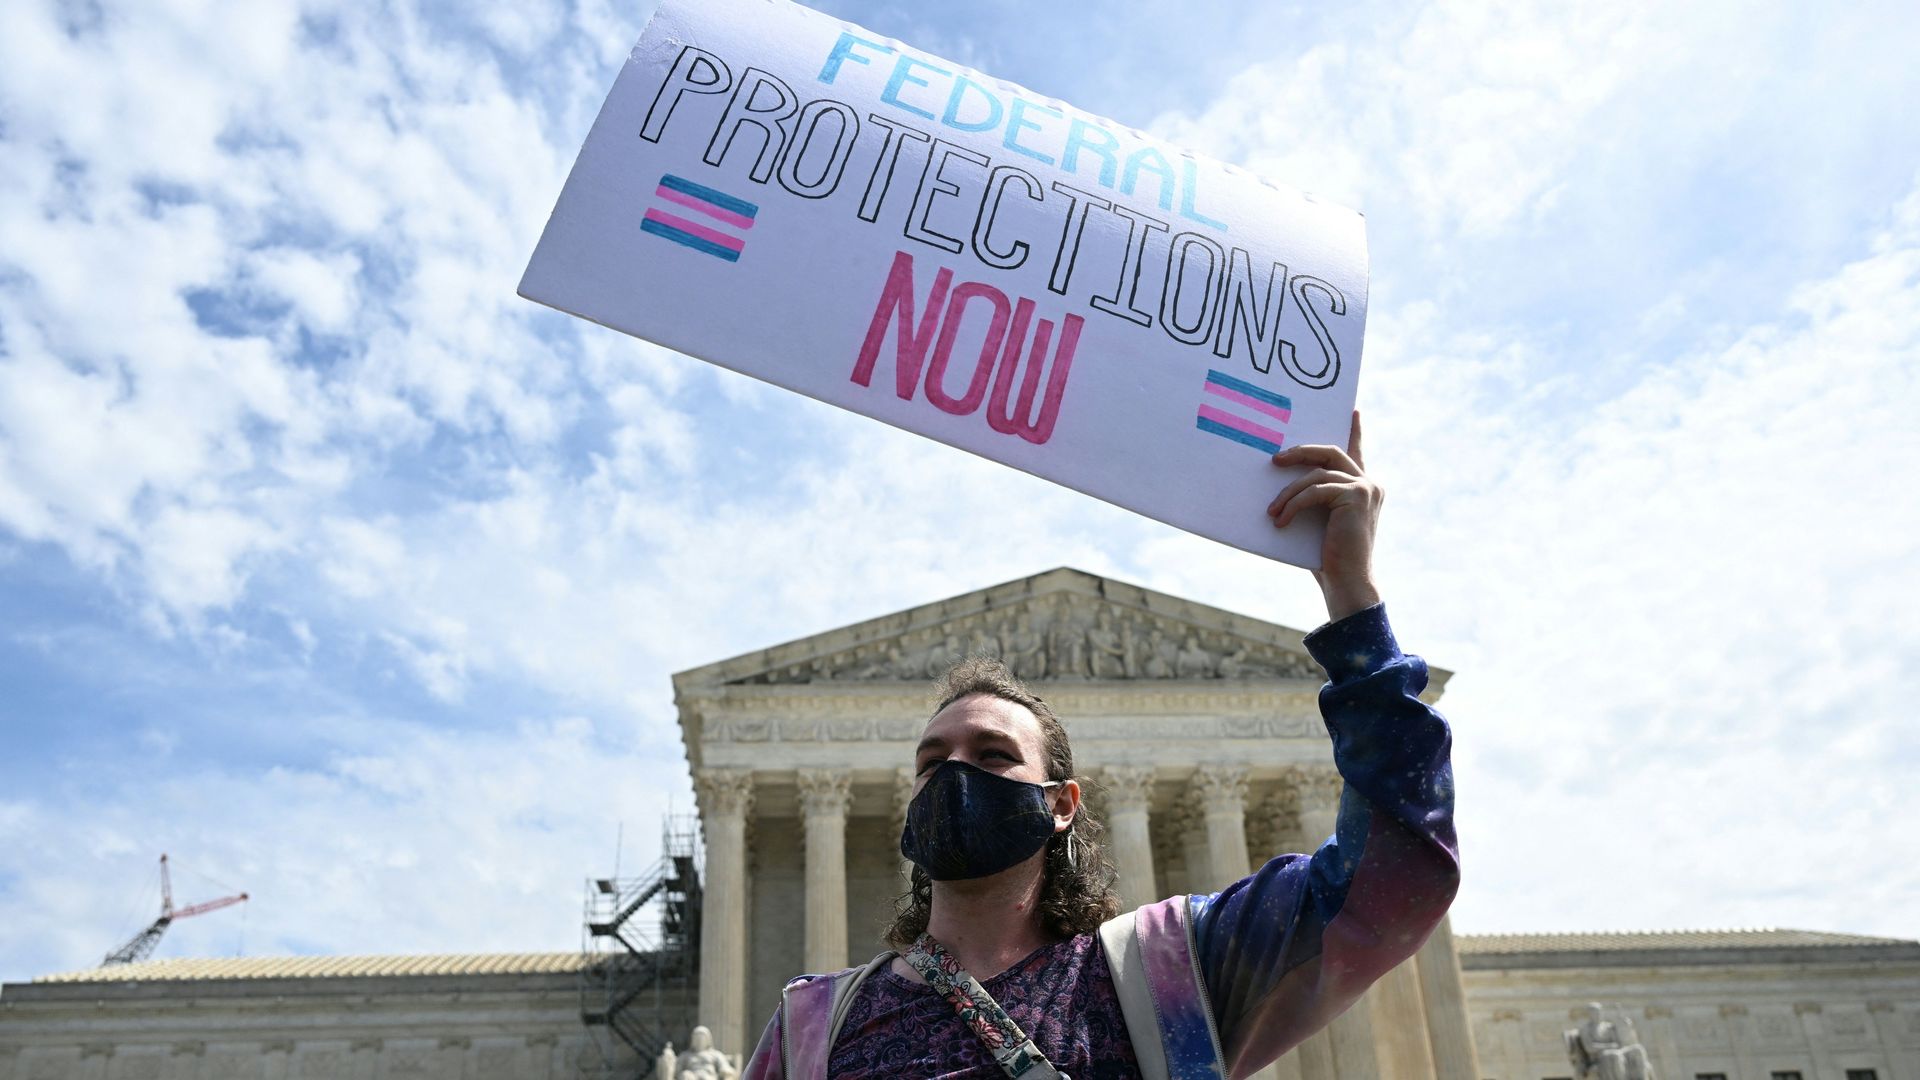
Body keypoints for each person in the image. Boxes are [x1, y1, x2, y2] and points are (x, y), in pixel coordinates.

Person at [742, 412, 1459, 1080]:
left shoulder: (1174, 971)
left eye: (993, 755)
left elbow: (1397, 882)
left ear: (1061, 805)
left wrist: (1352, 596)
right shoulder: (811, 1028)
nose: (956, 773)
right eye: (932, 762)